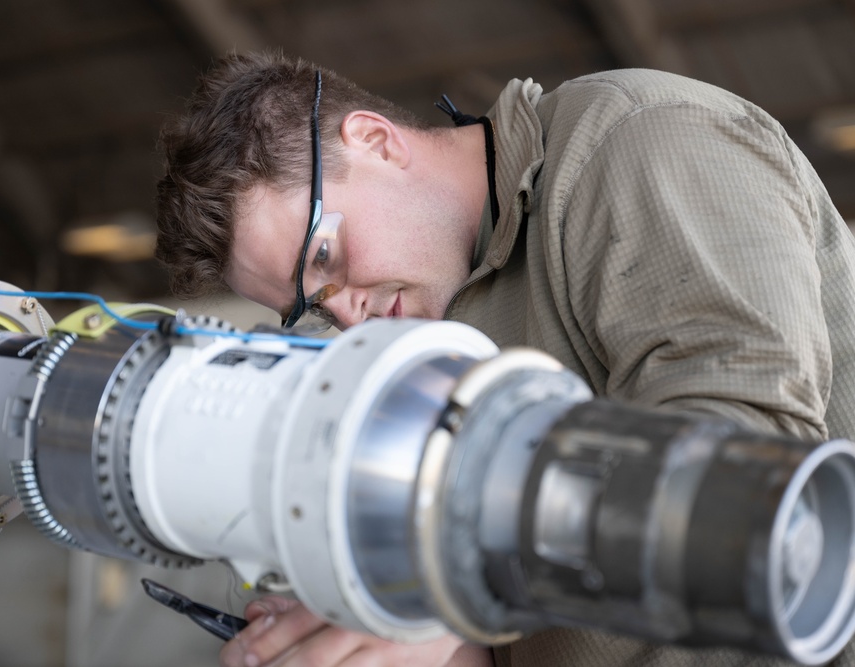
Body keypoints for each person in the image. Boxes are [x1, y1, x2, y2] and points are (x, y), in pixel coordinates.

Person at [154, 50, 855, 667]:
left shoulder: (637, 142)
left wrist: (451, 596)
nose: (344, 311)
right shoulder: (435, 327)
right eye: (310, 304)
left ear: (374, 141)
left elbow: (743, 478)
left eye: (325, 256)